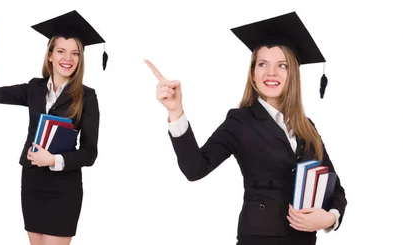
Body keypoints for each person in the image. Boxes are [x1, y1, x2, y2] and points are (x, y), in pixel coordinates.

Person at [145, 12, 347, 245]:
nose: (271, 73)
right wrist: (175, 112)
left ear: (293, 74)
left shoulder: (306, 126)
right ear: (253, 74)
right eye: (263, 64)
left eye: (282, 65)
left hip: (304, 240)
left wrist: (330, 218)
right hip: (259, 238)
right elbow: (195, 168)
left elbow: (334, 185)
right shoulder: (240, 121)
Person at [0, 10, 104, 245]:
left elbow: (89, 153)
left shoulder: (87, 97)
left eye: (75, 53)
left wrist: (54, 160)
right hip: (32, 181)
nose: (68, 58)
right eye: (61, 51)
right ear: (50, 55)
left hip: (64, 187)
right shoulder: (34, 88)